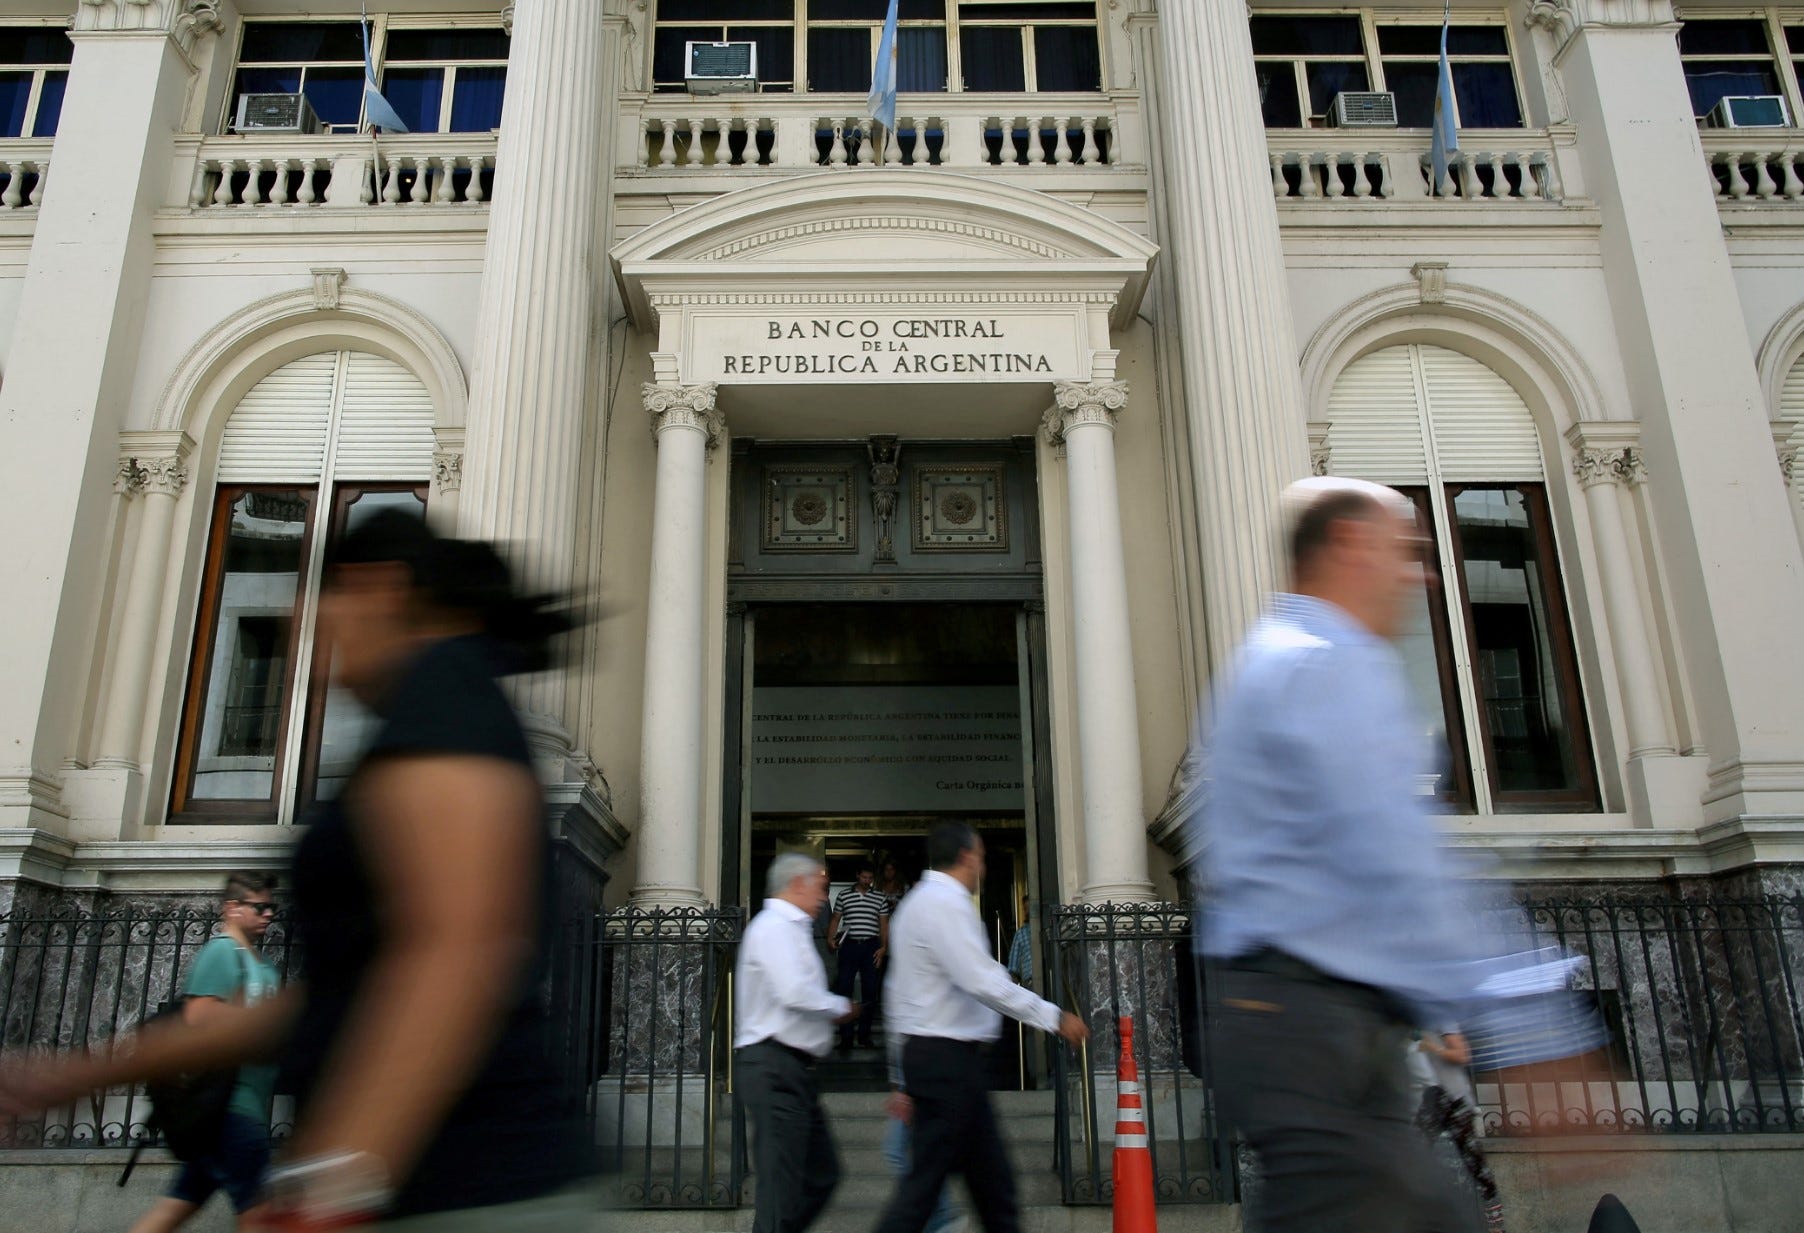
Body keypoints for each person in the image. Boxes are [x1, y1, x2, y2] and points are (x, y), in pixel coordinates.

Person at [1, 510, 598, 1228]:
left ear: (376, 589)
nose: (310, 646)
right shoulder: (438, 710)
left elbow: (457, 955)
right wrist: (81, 1072)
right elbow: (334, 998)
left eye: (318, 613)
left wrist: (337, 1183)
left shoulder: (447, 699)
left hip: (472, 1192)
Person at [1193, 476, 1487, 1233]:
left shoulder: (1272, 657)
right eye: (1406, 552)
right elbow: (1394, 853)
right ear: (1351, 545)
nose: (1421, 576)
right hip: (1314, 1031)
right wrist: (1529, 1026)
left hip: (1301, 1025)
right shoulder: (1326, 662)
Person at [876, 822, 1087, 1233]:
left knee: (986, 1185)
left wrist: (900, 1075)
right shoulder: (945, 904)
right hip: (947, 1061)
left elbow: (898, 995)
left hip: (935, 1058)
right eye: (982, 858)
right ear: (967, 857)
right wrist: (1053, 1016)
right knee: (935, 1190)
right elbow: (982, 980)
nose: (984, 868)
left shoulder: (915, 906)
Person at [128, 873, 283, 1233]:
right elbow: (200, 1016)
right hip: (231, 1106)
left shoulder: (259, 962)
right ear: (232, 908)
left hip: (236, 1107)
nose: (268, 914)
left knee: (177, 1205)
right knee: (259, 1215)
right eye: (260, 907)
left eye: (271, 907)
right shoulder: (221, 953)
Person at [735, 852, 859, 1233]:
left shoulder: (793, 929)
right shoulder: (773, 927)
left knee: (821, 1175)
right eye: (820, 888)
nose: (823, 898)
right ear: (797, 884)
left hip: (795, 1071)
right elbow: (794, 992)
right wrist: (839, 1006)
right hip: (773, 1067)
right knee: (781, 1188)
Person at [1410, 1030, 1504, 1233]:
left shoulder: (1438, 1022)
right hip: (1425, 1103)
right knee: (1412, 1164)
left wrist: (1432, 1047)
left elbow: (1461, 1054)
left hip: (1450, 1099)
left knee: (1477, 1167)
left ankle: (1496, 1226)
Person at [828, 862, 889, 1053]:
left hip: (871, 945)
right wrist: (831, 938)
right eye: (864, 877)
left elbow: (884, 924)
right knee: (844, 988)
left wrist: (884, 947)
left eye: (870, 878)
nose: (867, 881)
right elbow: (836, 919)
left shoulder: (879, 897)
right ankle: (846, 1037)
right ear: (857, 875)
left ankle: (864, 1035)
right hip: (850, 945)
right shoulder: (844, 895)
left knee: (870, 991)